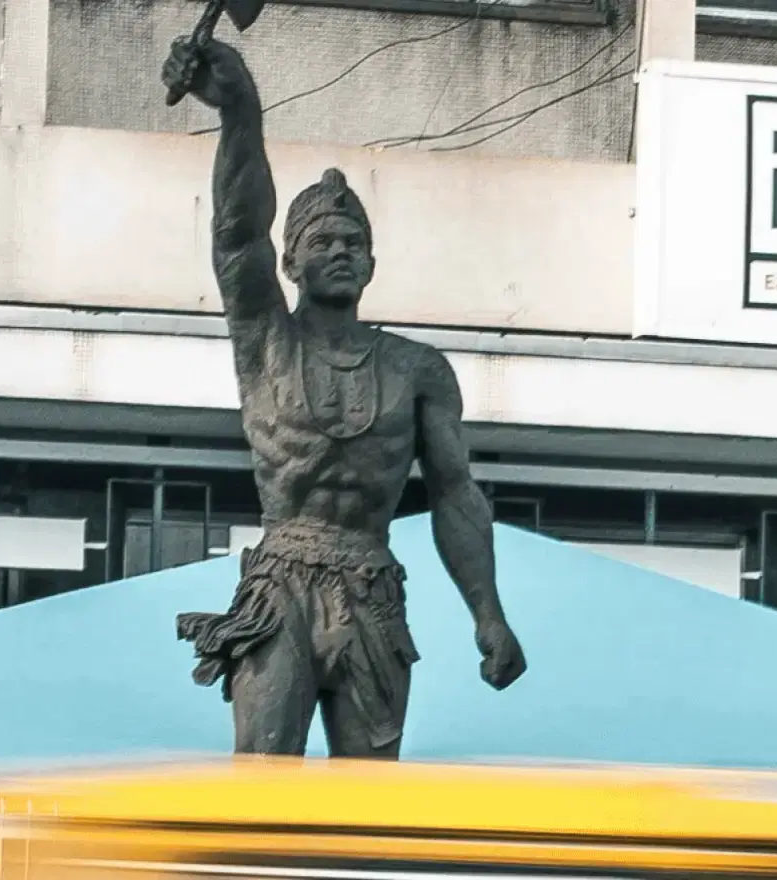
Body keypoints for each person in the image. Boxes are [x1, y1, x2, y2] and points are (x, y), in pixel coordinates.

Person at [164, 35, 526, 757]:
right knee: (263, 780)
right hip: (282, 582)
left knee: (369, 793)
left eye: (354, 241)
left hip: (371, 580)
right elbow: (237, 234)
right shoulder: (266, 341)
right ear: (292, 259)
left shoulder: (420, 369)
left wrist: (488, 613)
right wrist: (240, 109)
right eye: (322, 239)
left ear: (372, 262)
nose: (340, 250)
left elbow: (456, 493)